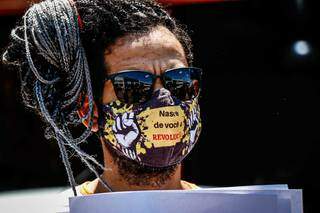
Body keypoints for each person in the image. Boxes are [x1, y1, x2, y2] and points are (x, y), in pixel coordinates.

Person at [2, 0, 202, 210]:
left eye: (180, 81)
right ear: (89, 110)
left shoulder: (231, 206)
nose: (163, 97)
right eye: (133, 84)